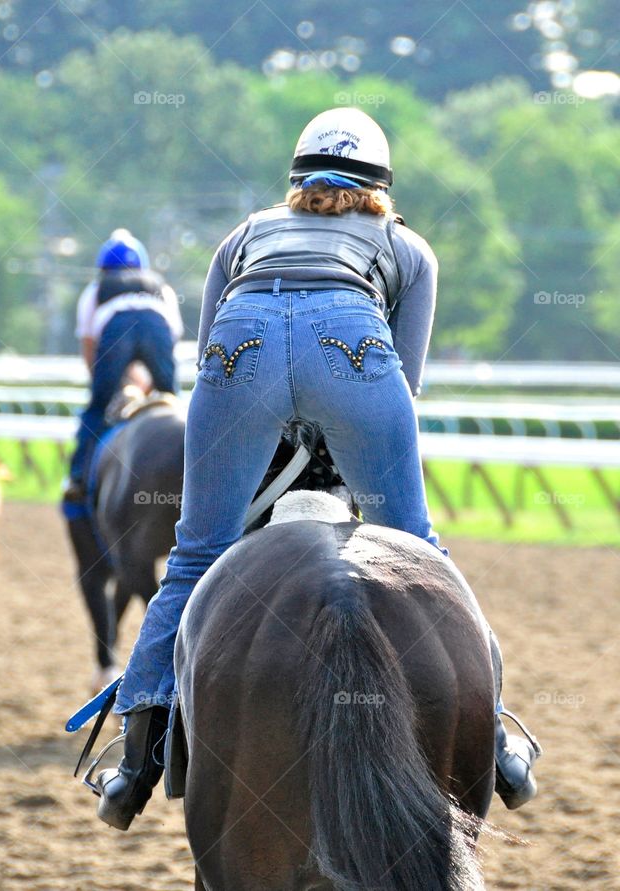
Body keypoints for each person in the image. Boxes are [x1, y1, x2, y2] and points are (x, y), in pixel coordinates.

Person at [92, 107, 541, 830]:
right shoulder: (409, 248)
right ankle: (494, 738)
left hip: (239, 354)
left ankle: (134, 763)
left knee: (195, 556)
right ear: (382, 186)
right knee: (420, 548)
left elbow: (208, 350)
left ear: (296, 179)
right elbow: (407, 377)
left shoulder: (241, 236)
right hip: (354, 351)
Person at [64, 229, 183, 501]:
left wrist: (105, 387)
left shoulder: (95, 290)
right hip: (157, 326)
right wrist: (153, 387)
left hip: (117, 329)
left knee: (96, 409)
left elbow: (89, 346)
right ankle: (197, 472)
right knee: (175, 404)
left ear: (103, 268)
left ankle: (78, 477)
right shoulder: (161, 288)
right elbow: (170, 339)